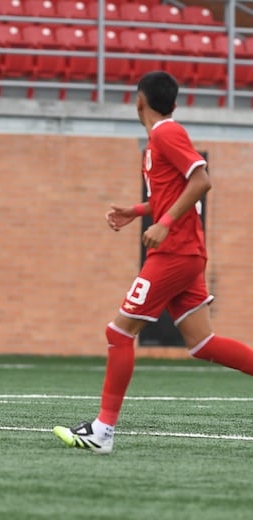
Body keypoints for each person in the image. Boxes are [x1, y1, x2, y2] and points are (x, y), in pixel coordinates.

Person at [53, 71, 253, 454]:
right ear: (172, 102)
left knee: (119, 333)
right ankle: (102, 431)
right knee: (202, 343)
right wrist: (138, 210)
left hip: (175, 253)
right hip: (187, 253)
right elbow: (178, 192)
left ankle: (102, 432)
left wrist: (163, 222)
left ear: (138, 100)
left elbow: (201, 181)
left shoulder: (165, 133)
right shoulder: (158, 138)